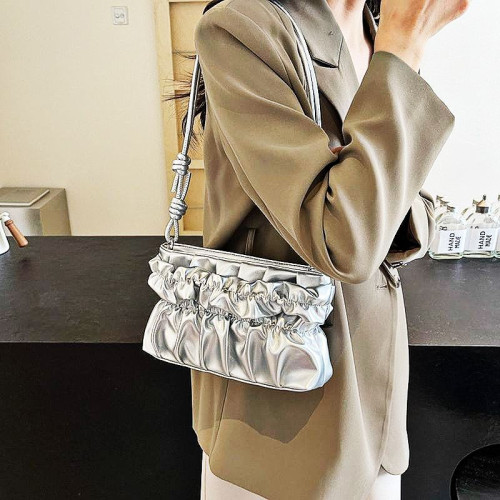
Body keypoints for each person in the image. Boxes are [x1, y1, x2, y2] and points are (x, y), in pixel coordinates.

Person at [164, 0, 468, 498]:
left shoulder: (373, 28)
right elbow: (344, 238)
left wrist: (367, 205)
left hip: (375, 395)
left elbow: (413, 205)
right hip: (280, 421)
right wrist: (402, 50)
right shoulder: (243, 26)